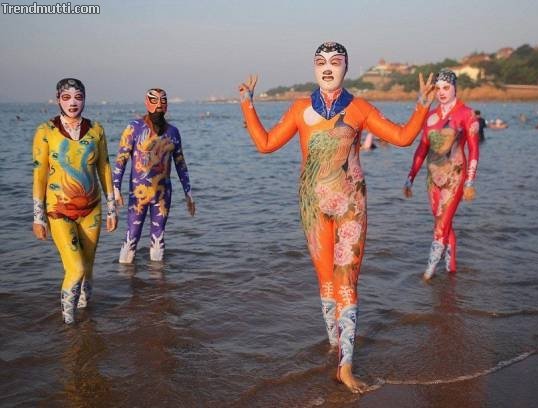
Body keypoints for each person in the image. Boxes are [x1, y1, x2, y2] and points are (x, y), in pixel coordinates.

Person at [238, 41, 434, 393]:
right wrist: (247, 105)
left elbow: (403, 137)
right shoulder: (300, 108)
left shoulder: (359, 108)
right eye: (320, 62)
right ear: (314, 68)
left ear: (346, 67)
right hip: (312, 205)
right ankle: (334, 345)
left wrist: (422, 105)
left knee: (346, 284)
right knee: (326, 282)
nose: (327, 67)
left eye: (335, 61)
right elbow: (265, 144)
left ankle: (345, 366)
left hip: (350, 204)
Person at [32, 78, 118, 324]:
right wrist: (38, 216)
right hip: (58, 211)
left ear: (85, 99)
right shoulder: (45, 131)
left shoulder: (96, 130)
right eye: (66, 97)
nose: (72, 103)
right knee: (76, 268)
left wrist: (112, 208)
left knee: (88, 268)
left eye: (78, 97)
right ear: (57, 99)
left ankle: (86, 319)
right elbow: (39, 175)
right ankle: (69, 325)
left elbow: (104, 168)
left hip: (92, 210)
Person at [402, 70, 479, 280]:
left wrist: (470, 182)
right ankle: (451, 269)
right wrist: (410, 177)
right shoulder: (430, 116)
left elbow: (474, 150)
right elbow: (422, 148)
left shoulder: (467, 114)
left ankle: (428, 274)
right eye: (437, 89)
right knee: (443, 222)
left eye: (446, 87)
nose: (441, 92)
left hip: (455, 177)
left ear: (455, 88)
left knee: (441, 226)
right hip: (432, 180)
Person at [112, 88, 195, 264]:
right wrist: (115, 189)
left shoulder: (173, 132)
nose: (158, 105)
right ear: (146, 103)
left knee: (158, 238)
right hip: (138, 195)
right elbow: (121, 159)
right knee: (132, 235)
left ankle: (158, 278)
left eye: (162, 101)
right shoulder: (134, 128)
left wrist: (189, 193)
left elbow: (180, 164)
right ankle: (125, 276)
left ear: (167, 105)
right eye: (154, 100)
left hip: (163, 195)